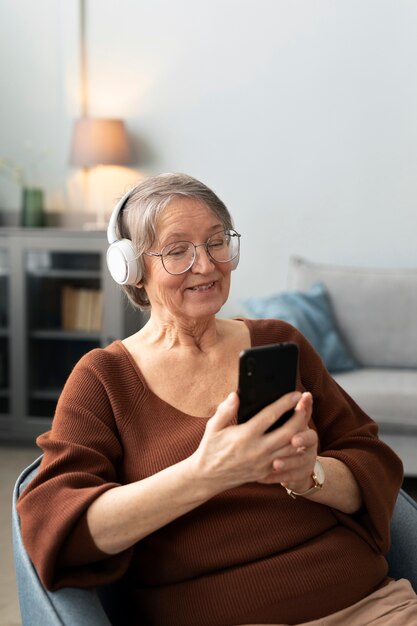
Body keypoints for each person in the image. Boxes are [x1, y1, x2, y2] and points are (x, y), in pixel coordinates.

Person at [17, 172, 417, 625]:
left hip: (370, 606)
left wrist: (312, 475)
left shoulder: (278, 342)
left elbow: (373, 462)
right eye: (177, 250)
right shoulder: (104, 378)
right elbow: (58, 529)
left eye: (215, 242)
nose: (205, 265)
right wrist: (205, 475)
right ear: (129, 268)